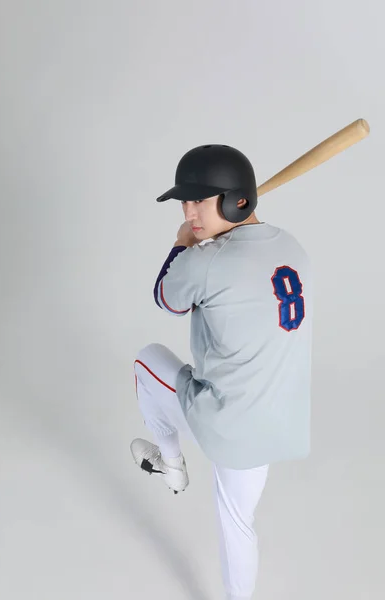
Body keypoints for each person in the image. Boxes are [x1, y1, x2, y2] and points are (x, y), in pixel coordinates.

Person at [130, 144, 313, 600]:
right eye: (185, 202)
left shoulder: (204, 259)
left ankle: (172, 465)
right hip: (280, 424)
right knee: (238, 523)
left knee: (147, 359)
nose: (189, 211)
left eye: (199, 199)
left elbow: (165, 298)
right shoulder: (292, 246)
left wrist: (181, 244)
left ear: (236, 201)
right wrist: (208, 239)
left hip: (226, 423)